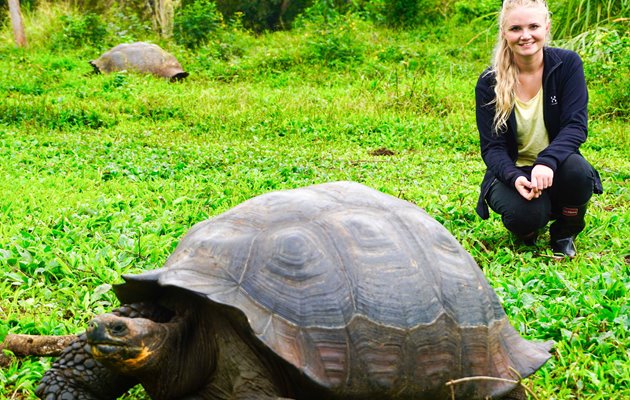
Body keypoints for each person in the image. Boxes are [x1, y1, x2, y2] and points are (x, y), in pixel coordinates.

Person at [475, 0, 603, 258]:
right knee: (526, 216)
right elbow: (492, 148)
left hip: (557, 166)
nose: (525, 36)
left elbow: (575, 126)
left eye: (533, 26)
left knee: (578, 172)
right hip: (515, 171)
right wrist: (514, 177)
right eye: (515, 28)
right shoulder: (489, 81)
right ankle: (530, 226)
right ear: (504, 33)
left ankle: (565, 231)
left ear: (546, 27)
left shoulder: (567, 65)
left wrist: (547, 161)